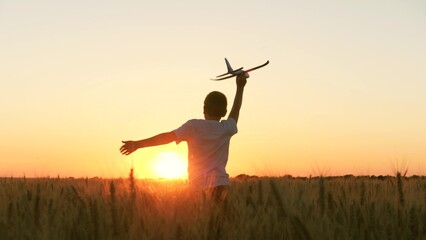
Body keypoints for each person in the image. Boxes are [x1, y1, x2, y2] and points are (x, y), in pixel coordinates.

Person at [119, 72, 248, 202]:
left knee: (200, 222)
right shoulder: (226, 128)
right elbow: (235, 111)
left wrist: (137, 144)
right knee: (221, 221)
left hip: (198, 187)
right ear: (224, 112)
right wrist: (240, 87)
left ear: (204, 109)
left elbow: (167, 137)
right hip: (221, 185)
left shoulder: (193, 126)